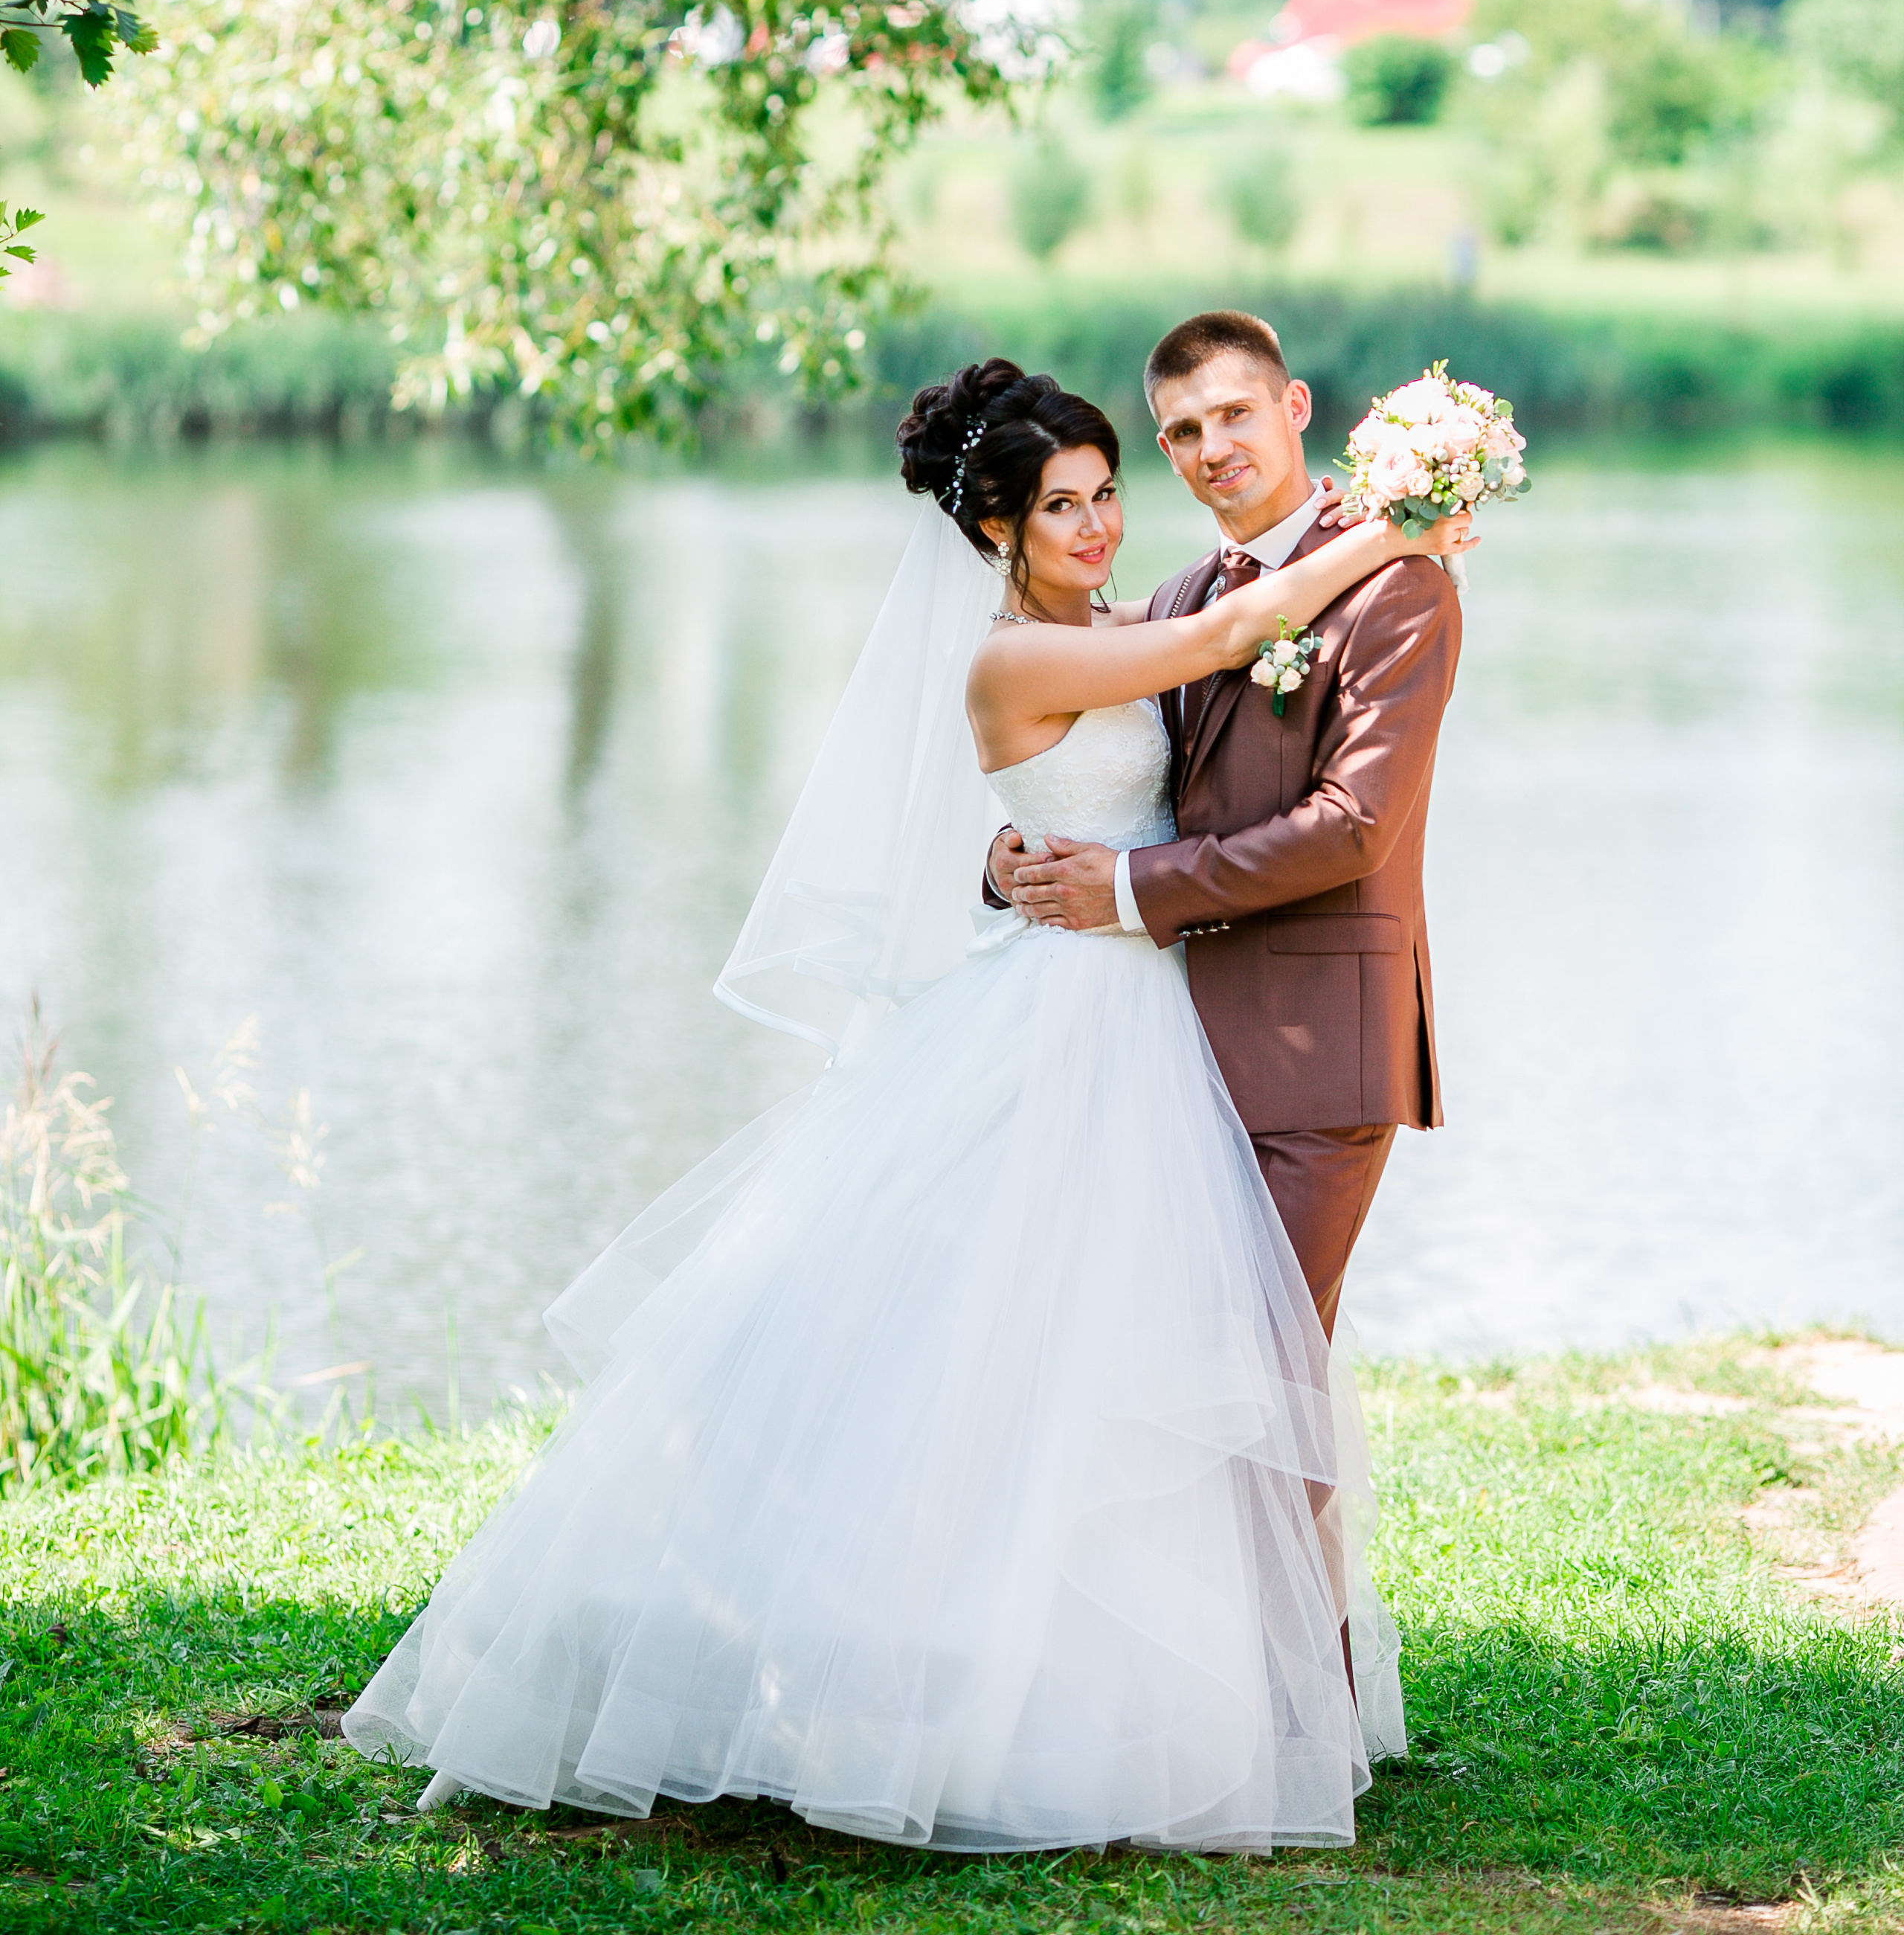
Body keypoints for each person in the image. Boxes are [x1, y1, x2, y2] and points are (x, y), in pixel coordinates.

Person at [342, 359, 1473, 1853]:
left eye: (1101, 492)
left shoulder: (1102, 630)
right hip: (1072, 1026)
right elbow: (1230, 631)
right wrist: (1404, 522)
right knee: (1021, 1354)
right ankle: (976, 1694)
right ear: (992, 532)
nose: (1093, 523)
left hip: (1147, 1022)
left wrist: (1012, 865)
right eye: (1057, 506)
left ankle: (1193, 1699)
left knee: (1122, 1365)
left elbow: (1157, 751)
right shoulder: (1020, 657)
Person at [994, 310, 1463, 1343]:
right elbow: (1115, 778)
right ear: (1165, 449)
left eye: (1237, 413)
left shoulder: (1400, 587)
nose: (1217, 449)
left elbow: (1352, 829)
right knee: (1165, 1365)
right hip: (1167, 1048)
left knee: (1263, 1364)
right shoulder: (1187, 600)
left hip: (1318, 1043)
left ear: (1295, 409)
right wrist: (1012, 862)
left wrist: (1122, 889)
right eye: (1186, 431)